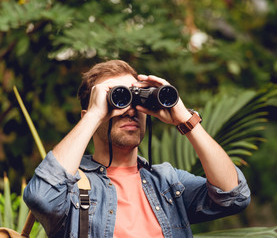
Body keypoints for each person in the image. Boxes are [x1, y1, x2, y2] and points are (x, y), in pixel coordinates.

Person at [23, 60, 251, 238]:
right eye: (117, 98)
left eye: (136, 97)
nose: (130, 110)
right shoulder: (73, 188)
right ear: (88, 115)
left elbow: (234, 196)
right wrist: (94, 115)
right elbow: (41, 198)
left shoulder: (168, 184)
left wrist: (186, 120)